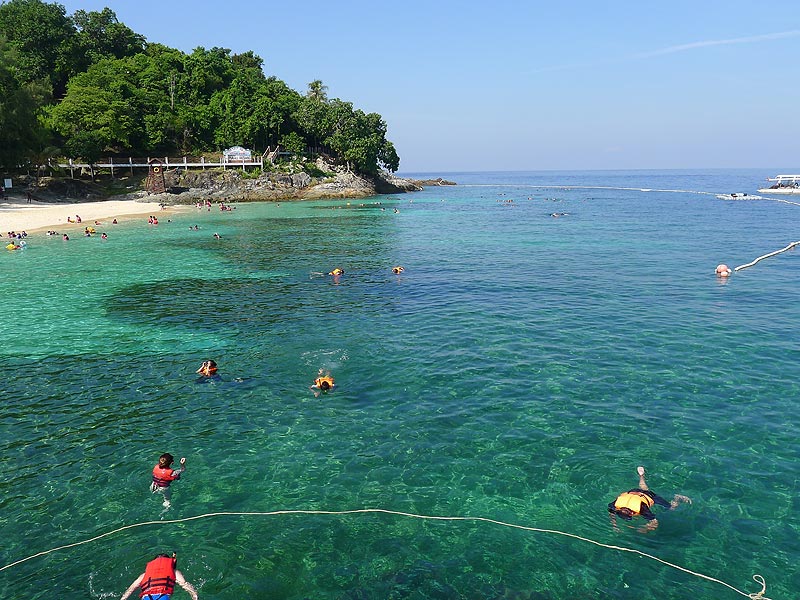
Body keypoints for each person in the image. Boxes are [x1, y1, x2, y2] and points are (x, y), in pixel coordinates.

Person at [608, 466, 691, 532]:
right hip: (633, 491)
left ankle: (677, 498)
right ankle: (641, 475)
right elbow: (611, 512)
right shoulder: (615, 505)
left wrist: (646, 528)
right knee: (643, 489)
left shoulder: (642, 509)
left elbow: (655, 522)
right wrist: (615, 525)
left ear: (631, 513)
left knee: (671, 508)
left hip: (650, 496)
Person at [119, 552, 198, 600]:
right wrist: (194, 595)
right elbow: (184, 584)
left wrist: (123, 598)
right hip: (163, 596)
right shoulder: (174, 572)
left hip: (147, 597)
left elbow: (132, 588)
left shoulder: (144, 575)